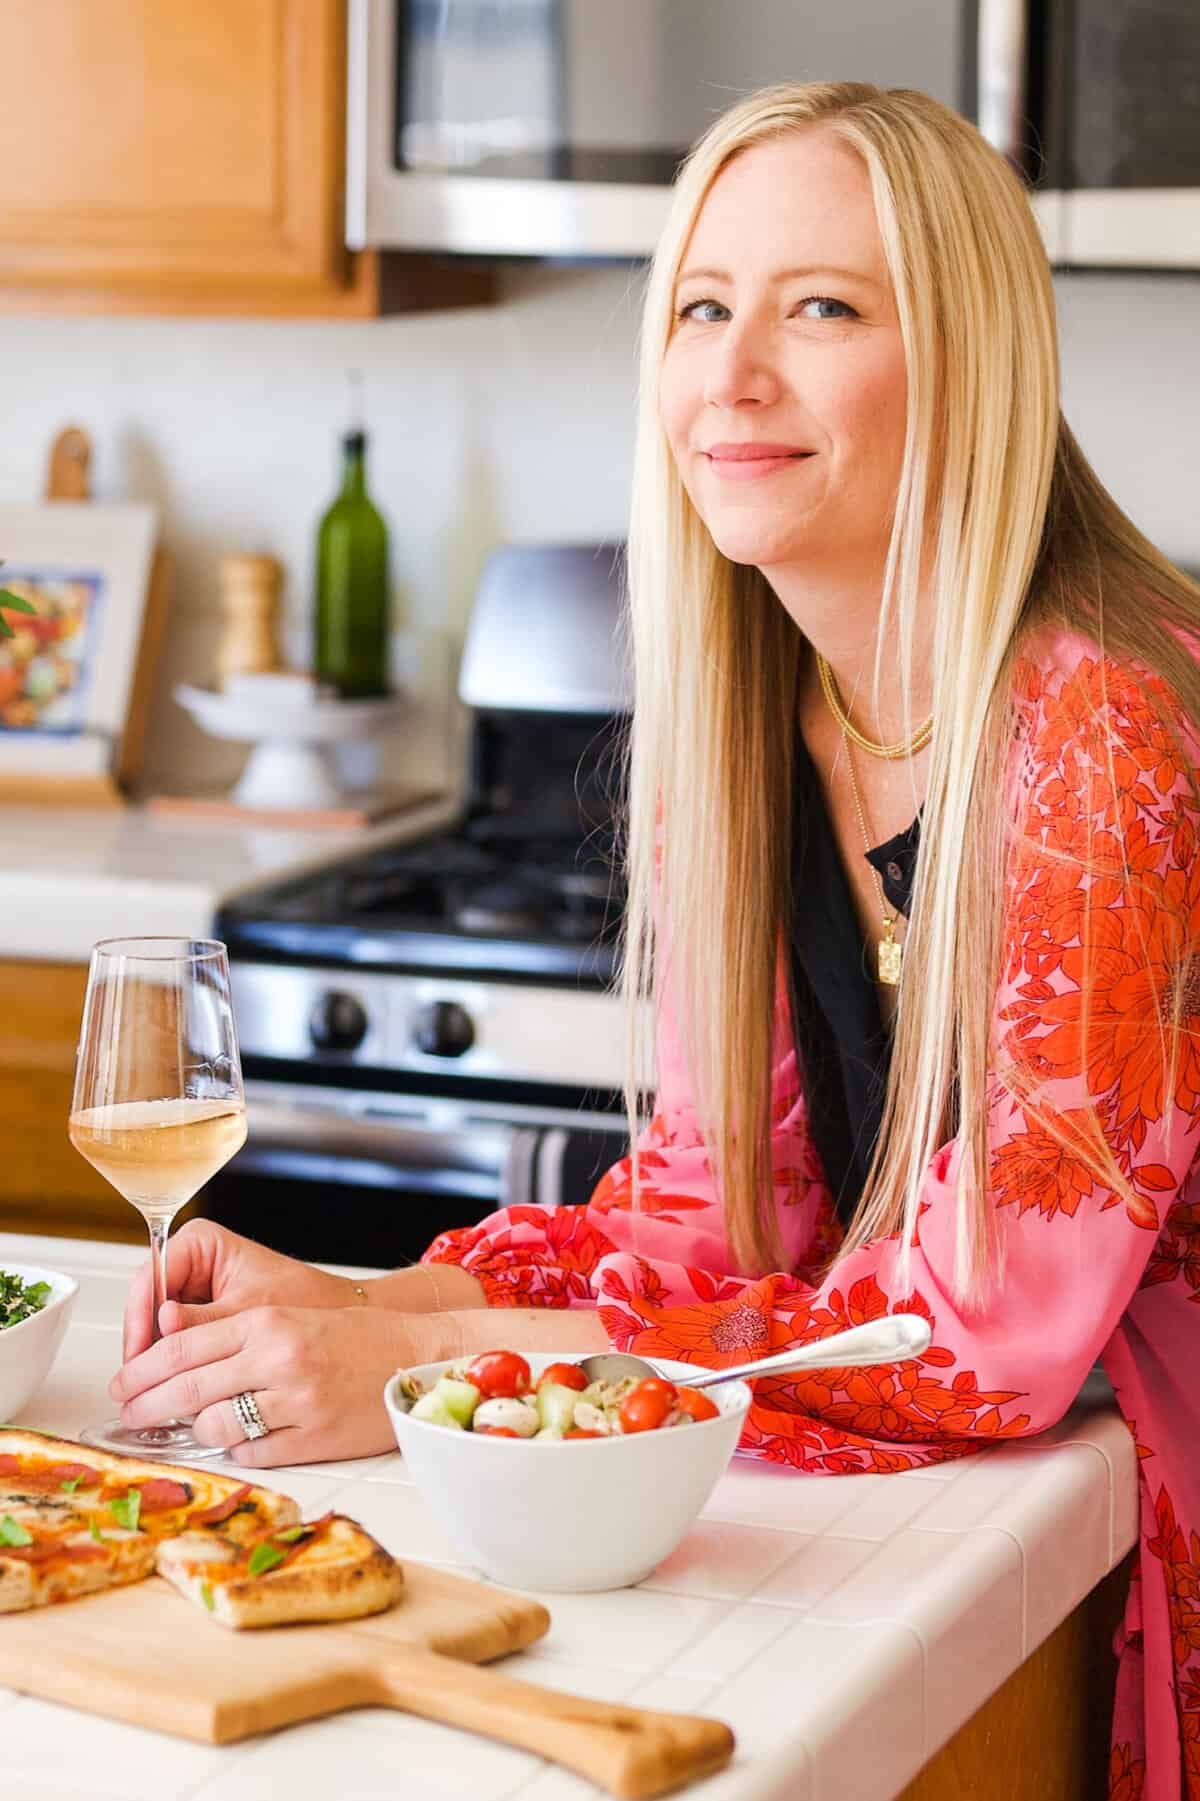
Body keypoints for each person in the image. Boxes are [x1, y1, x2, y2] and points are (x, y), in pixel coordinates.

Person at [113, 83, 1200, 1796]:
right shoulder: (757, 722)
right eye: (701, 307)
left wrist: (416, 1357)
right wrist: (363, 1300)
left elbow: (970, 1340)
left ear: (971, 361)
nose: (730, 377)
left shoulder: (1104, 733)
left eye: (823, 307)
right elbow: (706, 1211)